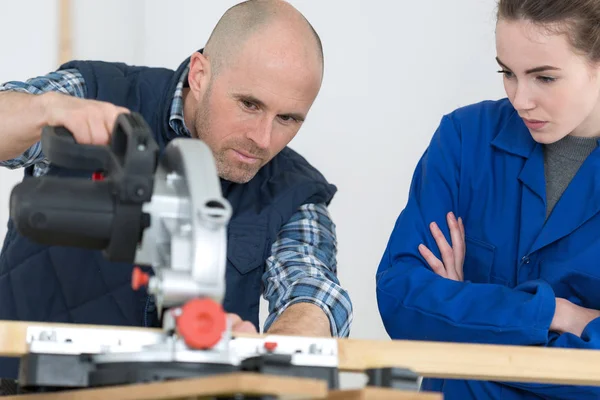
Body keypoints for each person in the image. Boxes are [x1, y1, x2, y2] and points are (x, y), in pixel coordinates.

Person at [0, 0, 353, 383]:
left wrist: (269, 351)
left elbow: (315, 293)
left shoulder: (295, 191)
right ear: (200, 74)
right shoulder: (97, 90)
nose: (263, 140)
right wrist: (45, 112)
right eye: (249, 104)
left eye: (287, 118)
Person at [376, 0, 600, 398]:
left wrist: (462, 313)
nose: (520, 99)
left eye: (544, 78)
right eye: (507, 73)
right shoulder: (465, 138)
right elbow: (401, 297)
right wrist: (554, 313)